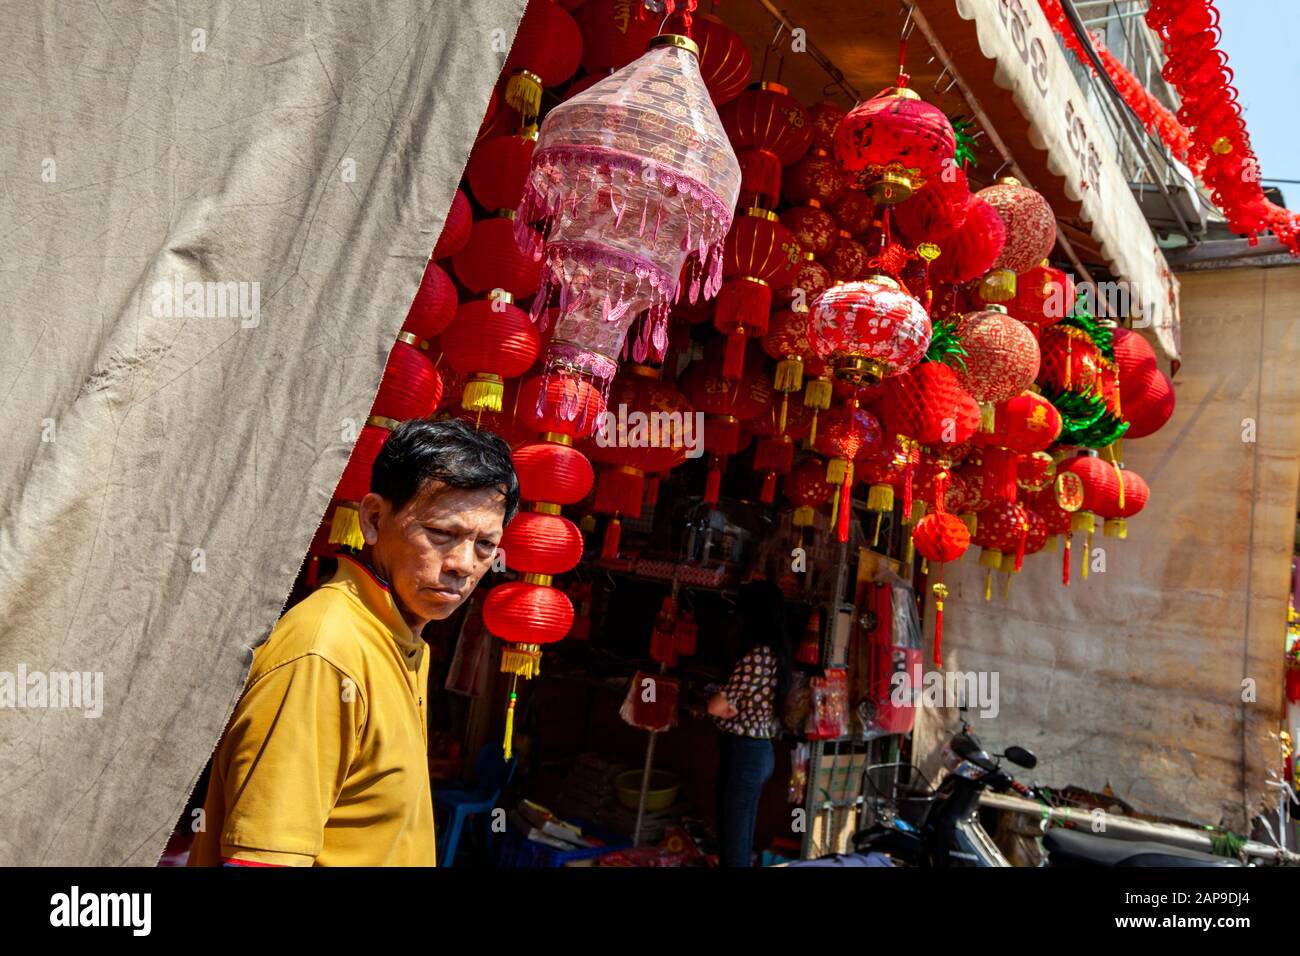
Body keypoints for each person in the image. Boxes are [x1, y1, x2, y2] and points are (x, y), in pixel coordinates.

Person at [188, 418, 517, 866]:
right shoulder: (325, 653)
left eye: (485, 546)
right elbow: (263, 859)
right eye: (442, 534)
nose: (462, 564)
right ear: (374, 519)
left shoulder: (397, 635)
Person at [708, 580, 792, 867]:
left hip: (747, 752)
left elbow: (716, 705)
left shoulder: (758, 655)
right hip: (754, 751)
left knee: (735, 830)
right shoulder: (774, 655)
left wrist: (724, 705)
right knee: (737, 826)